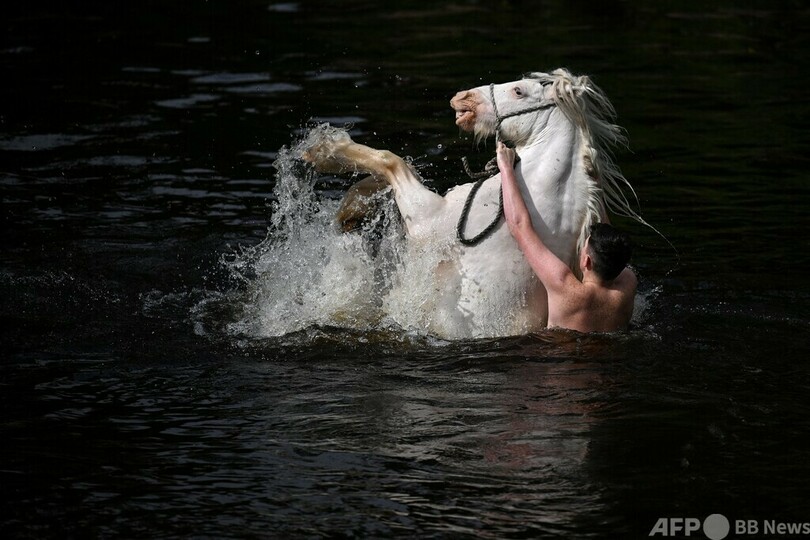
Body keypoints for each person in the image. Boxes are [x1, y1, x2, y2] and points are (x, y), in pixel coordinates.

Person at [496, 142, 637, 333]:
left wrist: (505, 167)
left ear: (586, 261)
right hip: (608, 359)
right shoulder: (627, 285)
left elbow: (519, 226)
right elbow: (611, 243)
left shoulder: (564, 286)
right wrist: (595, 183)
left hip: (562, 356)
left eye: (584, 247)